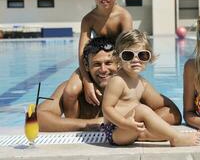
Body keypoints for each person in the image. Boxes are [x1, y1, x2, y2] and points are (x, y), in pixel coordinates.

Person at [38, 37, 182, 132]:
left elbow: (173, 112)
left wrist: (132, 125)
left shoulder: (134, 85)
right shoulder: (72, 89)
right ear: (86, 67)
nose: (103, 70)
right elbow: (38, 117)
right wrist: (90, 124)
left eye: (108, 63)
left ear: (118, 63)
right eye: (96, 64)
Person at [101, 29, 200, 146]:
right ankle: (176, 138)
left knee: (163, 122)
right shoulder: (117, 80)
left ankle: (146, 135)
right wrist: (125, 123)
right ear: (118, 58)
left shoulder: (141, 83)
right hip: (116, 130)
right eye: (128, 55)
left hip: (131, 128)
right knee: (141, 109)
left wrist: (149, 121)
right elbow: (107, 108)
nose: (135, 59)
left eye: (142, 55)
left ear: (149, 58)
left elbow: (169, 110)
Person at [63, 0, 133, 115]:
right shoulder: (88, 19)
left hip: (117, 65)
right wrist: (87, 81)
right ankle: (72, 126)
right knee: (70, 92)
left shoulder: (123, 17)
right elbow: (82, 52)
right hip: (97, 64)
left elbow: (128, 51)